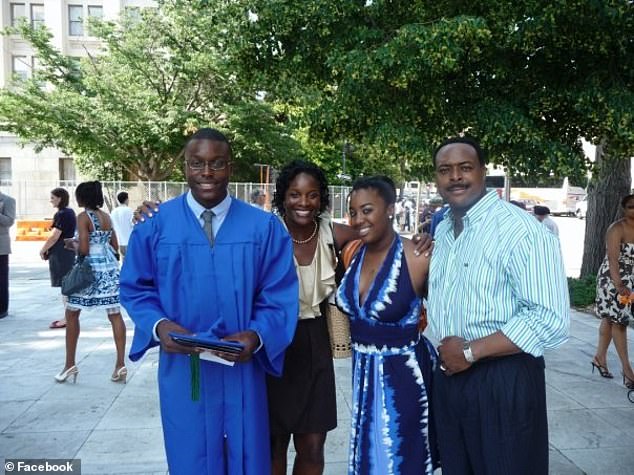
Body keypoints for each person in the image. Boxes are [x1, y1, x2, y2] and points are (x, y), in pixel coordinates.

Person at [119, 128, 299, 475]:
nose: (207, 173)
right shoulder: (155, 227)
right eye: (196, 163)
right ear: (184, 167)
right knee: (189, 456)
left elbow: (279, 293)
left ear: (230, 167)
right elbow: (136, 288)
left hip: (242, 369)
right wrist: (159, 327)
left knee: (248, 457)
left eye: (217, 163)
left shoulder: (263, 228)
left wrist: (257, 335)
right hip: (184, 368)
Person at [427, 137, 569, 474]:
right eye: (445, 170)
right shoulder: (445, 229)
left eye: (465, 168)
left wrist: (471, 352)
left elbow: (549, 319)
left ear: (483, 171)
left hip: (505, 379)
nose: (455, 177)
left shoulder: (519, 230)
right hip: (451, 376)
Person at [336, 176, 439, 474]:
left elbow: (453, 310)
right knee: (369, 459)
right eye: (353, 212)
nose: (358, 219)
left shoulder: (417, 256)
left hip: (404, 379)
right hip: (363, 375)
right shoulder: (353, 251)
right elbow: (307, 224)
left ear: (391, 209)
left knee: (401, 459)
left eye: (367, 210)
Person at [267, 160, 357, 475]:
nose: (303, 203)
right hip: (273, 342)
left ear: (322, 199)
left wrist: (422, 242)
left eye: (312, 195)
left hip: (314, 343)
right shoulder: (267, 231)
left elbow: (381, 237)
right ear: (282, 196)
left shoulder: (334, 232)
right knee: (272, 443)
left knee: (313, 445)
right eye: (295, 194)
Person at [54, 181, 127, 385]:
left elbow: (84, 248)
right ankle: (120, 364)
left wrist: (73, 245)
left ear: (82, 198)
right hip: (109, 268)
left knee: (71, 312)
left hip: (89, 270)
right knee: (114, 314)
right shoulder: (106, 216)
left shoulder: (83, 217)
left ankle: (69, 364)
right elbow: (113, 244)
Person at [593, 194, 634, 389]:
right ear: (624, 209)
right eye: (631, 207)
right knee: (620, 321)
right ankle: (627, 371)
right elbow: (613, 259)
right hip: (613, 279)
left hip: (631, 280)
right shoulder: (616, 228)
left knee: (610, 319)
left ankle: (599, 358)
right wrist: (619, 285)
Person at [40, 188, 76, 329]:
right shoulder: (70, 212)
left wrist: (43, 249)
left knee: (65, 285)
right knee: (67, 284)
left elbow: (55, 236)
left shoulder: (61, 214)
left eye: (53, 198)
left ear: (60, 198)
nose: (51, 200)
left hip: (61, 251)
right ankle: (69, 316)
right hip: (68, 249)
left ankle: (68, 318)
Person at [0, 190, 15, 319]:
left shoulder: (8, 200)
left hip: (1, 246)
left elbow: (9, 221)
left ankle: (2, 309)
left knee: (1, 278)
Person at [110, 191, 134, 259]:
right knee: (130, 260)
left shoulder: (113, 211)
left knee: (122, 260)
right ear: (126, 199)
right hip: (128, 239)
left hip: (118, 240)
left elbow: (112, 226)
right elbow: (133, 223)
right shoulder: (129, 210)